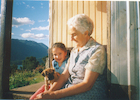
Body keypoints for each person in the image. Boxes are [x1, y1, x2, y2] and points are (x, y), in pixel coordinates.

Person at [35, 14, 108, 100]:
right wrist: (49, 92)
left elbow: (87, 84)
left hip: (90, 93)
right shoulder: (74, 50)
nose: (71, 39)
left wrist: (53, 95)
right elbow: (65, 75)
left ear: (86, 33)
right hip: (71, 88)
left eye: (74, 35)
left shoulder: (97, 50)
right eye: (70, 35)